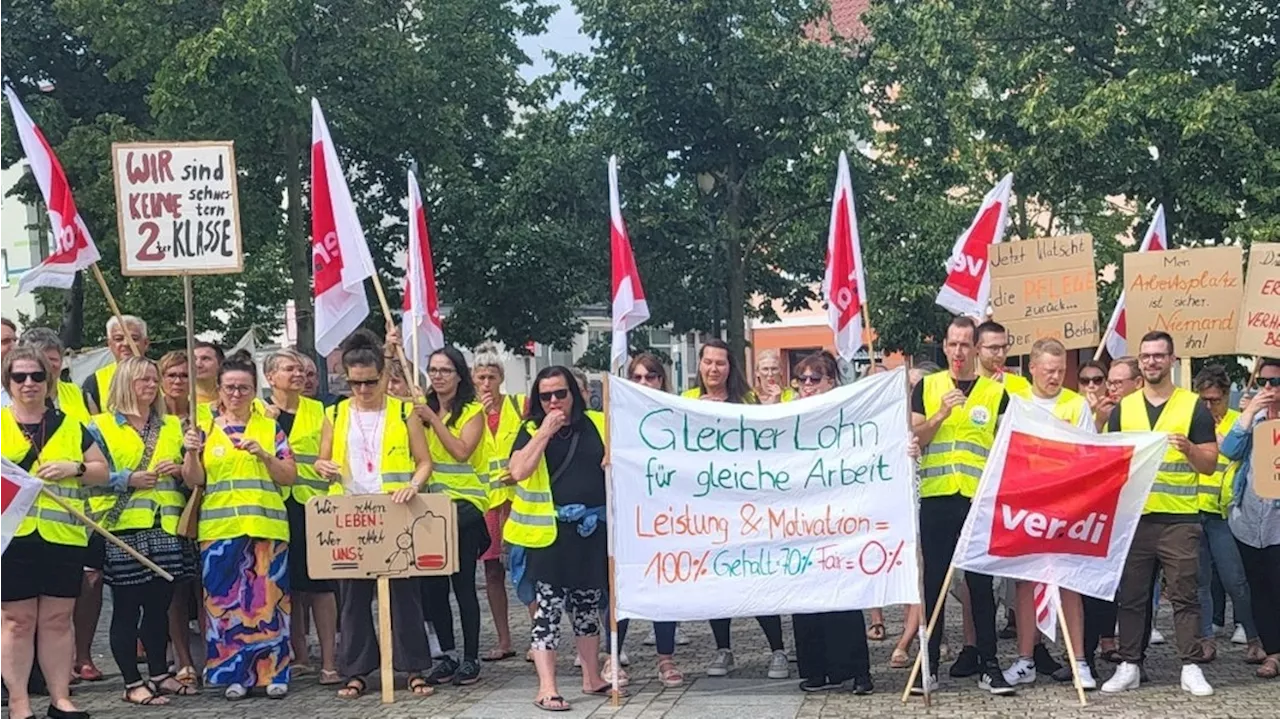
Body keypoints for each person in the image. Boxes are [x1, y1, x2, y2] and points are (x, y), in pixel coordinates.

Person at [1101, 331, 1218, 697]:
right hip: (1135, 519)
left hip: (1179, 519)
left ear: (1171, 359)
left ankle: (1190, 665)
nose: (1152, 362)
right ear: (1139, 361)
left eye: (1159, 355)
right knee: (1132, 597)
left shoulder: (1192, 405)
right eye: (1146, 356)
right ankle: (1129, 664)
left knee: (1184, 595)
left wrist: (1189, 450)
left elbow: (1210, 464)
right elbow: (1109, 461)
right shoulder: (1125, 407)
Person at [320, 330, 435, 700]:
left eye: (370, 382)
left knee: (405, 594)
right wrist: (324, 465)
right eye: (356, 383)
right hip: (350, 513)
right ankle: (355, 670)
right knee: (352, 598)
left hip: (394, 509)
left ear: (383, 376)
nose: (364, 390)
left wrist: (413, 486)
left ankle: (413, 667)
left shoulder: (403, 411)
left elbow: (424, 462)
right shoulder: (334, 412)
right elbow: (325, 457)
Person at [0, 345, 109, 719]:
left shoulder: (71, 425)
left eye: (37, 376)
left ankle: (60, 698)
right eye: (20, 377)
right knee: (17, 621)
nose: (29, 383)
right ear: (8, 382)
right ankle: (18, 703)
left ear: (49, 381)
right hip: (12, 537)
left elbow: (102, 471)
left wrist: (74, 467)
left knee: (58, 620)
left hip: (63, 537)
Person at [184, 350, 297, 700]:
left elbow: (289, 476)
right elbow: (194, 480)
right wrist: (190, 452)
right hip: (220, 531)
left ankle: (274, 672)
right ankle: (234, 672)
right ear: (219, 389)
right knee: (225, 606)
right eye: (230, 387)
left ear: (254, 390)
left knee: (269, 604)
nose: (237, 394)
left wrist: (264, 454)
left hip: (266, 527)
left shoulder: (269, 427)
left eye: (244, 388)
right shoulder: (203, 428)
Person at [910, 315, 1014, 695]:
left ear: (975, 348)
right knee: (934, 582)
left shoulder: (994, 393)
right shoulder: (927, 386)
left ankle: (989, 664)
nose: (957, 351)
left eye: (965, 345)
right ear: (944, 345)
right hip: (937, 497)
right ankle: (930, 664)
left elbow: (1006, 449)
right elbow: (915, 438)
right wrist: (940, 414)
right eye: (952, 344)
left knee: (980, 583)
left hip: (976, 500)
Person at [504, 366, 617, 711]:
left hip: (589, 532)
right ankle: (547, 686)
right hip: (548, 536)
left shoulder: (598, 423)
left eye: (560, 394)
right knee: (548, 612)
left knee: (585, 608)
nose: (554, 402)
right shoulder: (528, 429)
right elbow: (519, 471)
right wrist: (543, 433)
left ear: (575, 394)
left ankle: (592, 675)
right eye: (545, 396)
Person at [92, 356, 199, 705]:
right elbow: (89, 478)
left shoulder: (171, 426)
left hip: (166, 525)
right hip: (122, 527)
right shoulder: (99, 426)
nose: (151, 386)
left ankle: (159, 672)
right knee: (126, 606)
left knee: (159, 605)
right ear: (125, 382)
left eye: (154, 380)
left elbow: (194, 479)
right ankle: (131, 681)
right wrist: (128, 479)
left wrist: (182, 467)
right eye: (143, 380)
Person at [682, 340, 787, 679]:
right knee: (717, 582)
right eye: (708, 362)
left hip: (746, 507)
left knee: (757, 577)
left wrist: (770, 410)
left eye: (721, 363)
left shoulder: (748, 401)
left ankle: (778, 650)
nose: (714, 369)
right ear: (700, 365)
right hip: (707, 509)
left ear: (731, 368)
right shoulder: (685, 401)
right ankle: (723, 649)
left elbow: (769, 442)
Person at [1002, 339, 1098, 690]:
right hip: (1027, 507)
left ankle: (1080, 662)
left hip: (1065, 508)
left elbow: (1090, 454)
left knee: (1069, 583)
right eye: (1048, 370)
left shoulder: (1076, 404)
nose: (1055, 377)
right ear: (1032, 368)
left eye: (1060, 371)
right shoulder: (1017, 403)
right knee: (1025, 582)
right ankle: (1026, 659)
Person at [789, 351, 875, 695]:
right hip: (798, 520)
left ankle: (856, 669)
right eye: (803, 379)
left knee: (843, 594)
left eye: (815, 379)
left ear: (831, 382)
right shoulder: (787, 415)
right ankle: (817, 669)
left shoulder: (846, 415)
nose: (807, 386)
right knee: (806, 595)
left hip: (839, 516)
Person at [263, 349, 341, 686]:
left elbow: (328, 455)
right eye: (290, 369)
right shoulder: (257, 413)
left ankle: (328, 661)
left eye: (302, 370)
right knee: (285, 586)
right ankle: (297, 656)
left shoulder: (320, 411)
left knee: (321, 587)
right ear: (270, 377)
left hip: (313, 505)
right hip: (274, 507)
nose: (299, 375)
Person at [417, 347, 492, 688]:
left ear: (459, 375)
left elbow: (462, 452)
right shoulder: (421, 408)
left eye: (445, 370)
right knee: (433, 586)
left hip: (464, 507)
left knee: (462, 584)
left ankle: (471, 657)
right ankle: (446, 654)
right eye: (433, 370)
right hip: (430, 507)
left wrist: (433, 421)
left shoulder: (472, 411)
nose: (438, 376)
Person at [615, 353, 685, 688]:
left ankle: (666, 657)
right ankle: (612, 655)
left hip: (665, 514)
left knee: (664, 585)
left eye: (651, 377)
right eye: (638, 377)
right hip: (629, 513)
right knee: (623, 584)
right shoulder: (616, 417)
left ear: (662, 380)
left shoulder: (676, 414)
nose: (644, 383)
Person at [1193, 365, 1263, 662]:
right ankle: (1207, 640)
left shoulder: (1238, 422)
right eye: (1204, 401)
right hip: (1194, 511)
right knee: (1200, 582)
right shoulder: (1194, 422)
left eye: (1215, 400)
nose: (1209, 406)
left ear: (1226, 396)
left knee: (1236, 581)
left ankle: (1255, 637)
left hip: (1225, 515)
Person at [1222, 359, 1280, 678]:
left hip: (1278, 523)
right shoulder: (1255, 417)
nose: (1268, 389)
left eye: (1275, 382)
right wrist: (1247, 413)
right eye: (1263, 382)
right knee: (1259, 589)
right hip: (1250, 520)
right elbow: (1230, 450)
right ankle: (1273, 652)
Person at [472, 342, 522, 663]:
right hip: (486, 501)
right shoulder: (468, 413)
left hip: (518, 499)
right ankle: (503, 639)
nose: (486, 383)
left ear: (501, 377)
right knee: (492, 572)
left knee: (526, 569)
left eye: (491, 376)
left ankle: (537, 637)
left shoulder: (519, 404)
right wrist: (479, 411)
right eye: (481, 377)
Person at [156, 351, 203, 686]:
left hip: (205, 503)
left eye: (184, 376)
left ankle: (213, 653)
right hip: (171, 508)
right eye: (171, 375)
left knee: (204, 586)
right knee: (176, 587)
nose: (177, 382)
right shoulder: (154, 419)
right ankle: (183, 657)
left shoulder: (204, 416)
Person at [83, 314, 150, 414]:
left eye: (134, 339)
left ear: (145, 343)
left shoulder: (165, 376)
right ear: (110, 344)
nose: (127, 343)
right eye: (119, 339)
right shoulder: (94, 381)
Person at [193, 342, 225, 406]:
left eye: (205, 359)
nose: (198, 364)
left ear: (221, 364)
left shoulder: (233, 395)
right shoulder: (180, 398)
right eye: (194, 359)